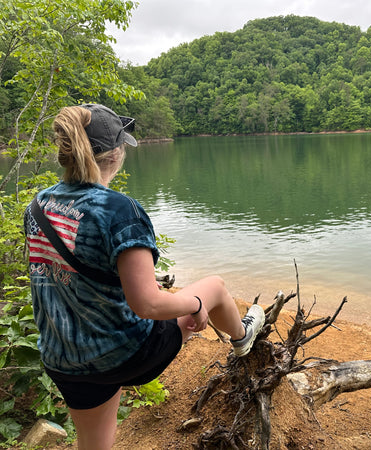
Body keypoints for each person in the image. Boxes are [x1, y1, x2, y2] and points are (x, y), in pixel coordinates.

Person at [24, 103, 265, 450]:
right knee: (214, 286)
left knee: (94, 445)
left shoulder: (38, 205)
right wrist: (195, 303)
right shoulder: (120, 211)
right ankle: (242, 337)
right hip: (126, 354)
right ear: (117, 154)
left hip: (64, 358)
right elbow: (148, 304)